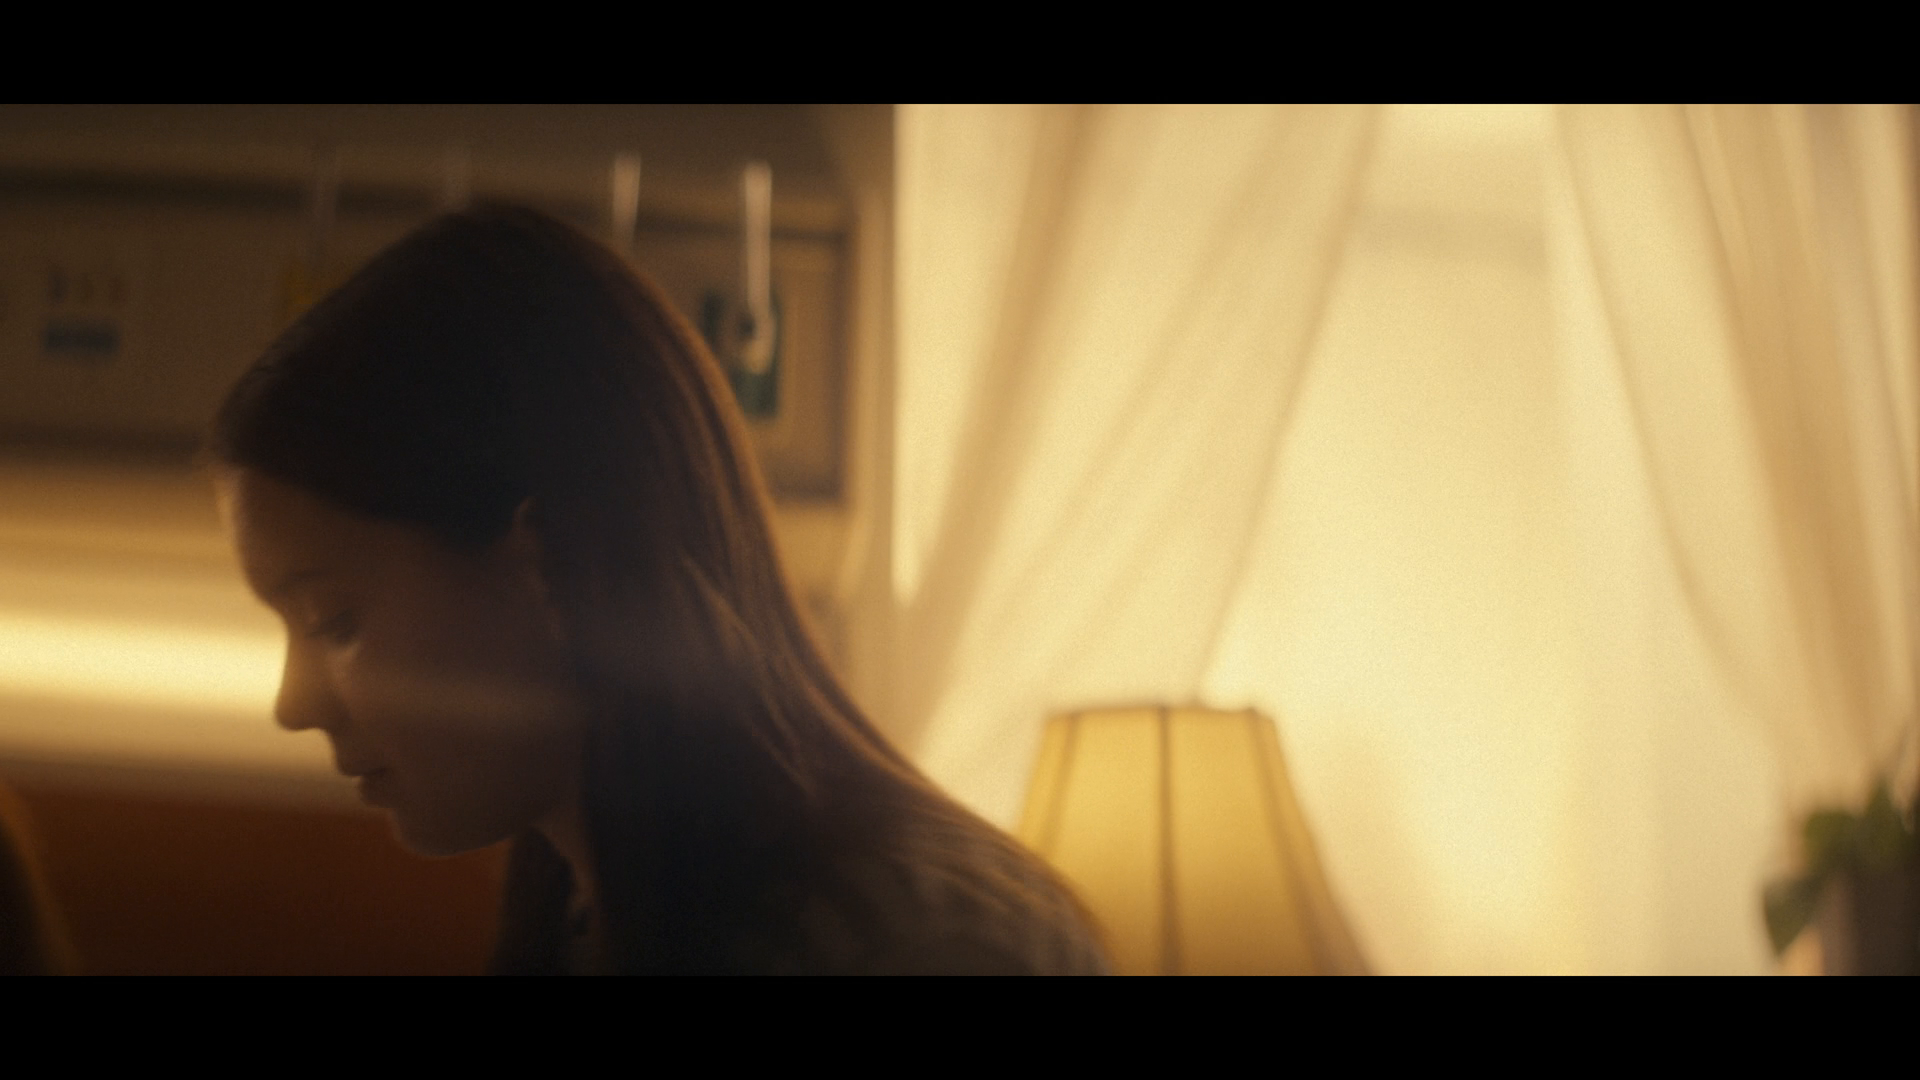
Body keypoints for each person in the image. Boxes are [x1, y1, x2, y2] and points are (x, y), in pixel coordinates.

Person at [209, 204, 1106, 975]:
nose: (295, 704)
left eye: (334, 619)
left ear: (548, 557)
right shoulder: (591, 913)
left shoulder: (926, 946)